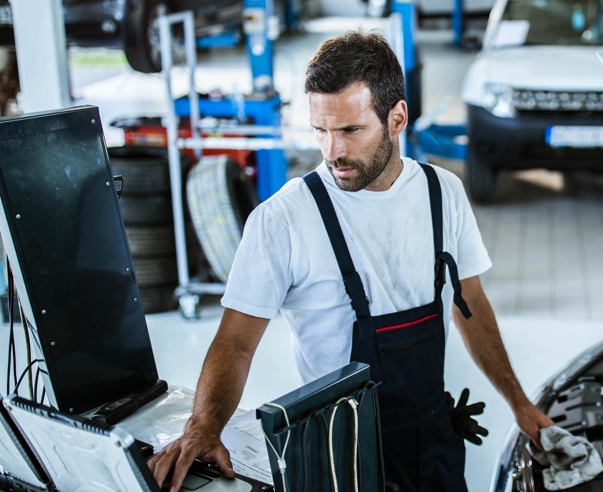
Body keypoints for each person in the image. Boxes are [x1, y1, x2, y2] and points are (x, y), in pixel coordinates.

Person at [148, 30, 554, 492]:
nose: (333, 152)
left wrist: (521, 405)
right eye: (320, 131)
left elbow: (471, 303)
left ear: (397, 118)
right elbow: (235, 342)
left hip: (434, 445)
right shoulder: (284, 219)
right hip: (340, 461)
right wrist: (204, 425)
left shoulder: (444, 193)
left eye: (350, 131)